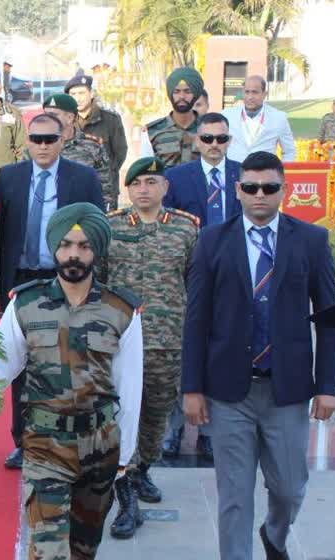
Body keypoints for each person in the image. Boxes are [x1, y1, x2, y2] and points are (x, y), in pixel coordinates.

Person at [182, 151, 335, 560]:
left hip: (288, 391)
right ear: (237, 189)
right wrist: (192, 388)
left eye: (269, 188)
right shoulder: (213, 242)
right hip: (230, 391)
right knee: (234, 496)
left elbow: (330, 319)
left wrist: (328, 387)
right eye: (250, 187)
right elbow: (197, 319)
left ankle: (275, 535)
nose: (259, 196)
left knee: (290, 488)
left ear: (283, 189)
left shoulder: (311, 241)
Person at [0, 203, 143, 560]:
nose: (73, 254)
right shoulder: (26, 304)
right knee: (48, 548)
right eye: (65, 245)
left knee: (82, 550)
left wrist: (127, 457)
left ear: (96, 250)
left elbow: (130, 384)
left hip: (101, 446)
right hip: (45, 446)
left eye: (82, 245)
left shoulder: (122, 309)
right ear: (53, 248)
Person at [0, 114, 105, 470]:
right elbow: (0, 232)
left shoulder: (82, 177)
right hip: (22, 278)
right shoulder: (9, 176)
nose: (42, 146)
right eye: (36, 139)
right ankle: (22, 441)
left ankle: (64, 438)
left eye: (49, 139)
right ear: (26, 140)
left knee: (65, 360)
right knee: (21, 361)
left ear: (62, 140)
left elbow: (96, 229)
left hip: (66, 278)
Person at [100, 158, 198, 539]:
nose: (143, 189)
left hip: (166, 337)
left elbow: (194, 280)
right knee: (122, 413)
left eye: (151, 182)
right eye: (136, 182)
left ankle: (141, 470)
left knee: (157, 412)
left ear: (164, 188)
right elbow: (101, 280)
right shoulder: (111, 226)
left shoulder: (186, 230)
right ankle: (126, 491)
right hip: (122, 339)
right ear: (127, 189)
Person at [161, 111, 243, 462]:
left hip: (233, 275)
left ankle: (210, 432)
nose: (214, 145)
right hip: (189, 275)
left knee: (221, 351)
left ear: (229, 141)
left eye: (221, 139)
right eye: (207, 138)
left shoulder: (243, 175)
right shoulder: (177, 178)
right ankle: (174, 427)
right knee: (183, 352)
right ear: (196, 140)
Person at [66, 69, 127, 210]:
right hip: (73, 189)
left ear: (91, 94)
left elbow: (120, 152)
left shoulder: (110, 120)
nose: (77, 98)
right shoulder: (66, 121)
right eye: (73, 94)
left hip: (103, 190)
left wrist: (105, 174)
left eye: (82, 93)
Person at [44, 94, 115, 210]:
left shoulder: (92, 147)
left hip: (80, 218)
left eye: (53, 115)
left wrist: (100, 219)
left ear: (70, 118)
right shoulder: (37, 146)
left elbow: (104, 188)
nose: (47, 119)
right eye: (45, 115)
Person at [139, 67, 204, 168]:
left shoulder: (209, 129)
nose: (182, 96)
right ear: (170, 94)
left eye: (187, 91)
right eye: (176, 91)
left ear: (195, 94)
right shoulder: (152, 131)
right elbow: (146, 170)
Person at [222, 75, 296, 162]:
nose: (250, 97)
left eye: (255, 92)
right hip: (234, 173)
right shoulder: (227, 115)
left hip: (265, 173)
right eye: (247, 92)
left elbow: (289, 151)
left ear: (264, 94)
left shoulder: (278, 118)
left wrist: (279, 172)